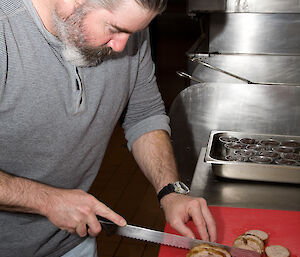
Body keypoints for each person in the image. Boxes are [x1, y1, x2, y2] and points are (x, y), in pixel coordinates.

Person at [0, 0, 217, 256]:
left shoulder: (128, 30)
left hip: (73, 241)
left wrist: (170, 190)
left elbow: (144, 115)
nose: (122, 46)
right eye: (114, 28)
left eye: (132, 32)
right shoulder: (6, 30)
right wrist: (47, 200)